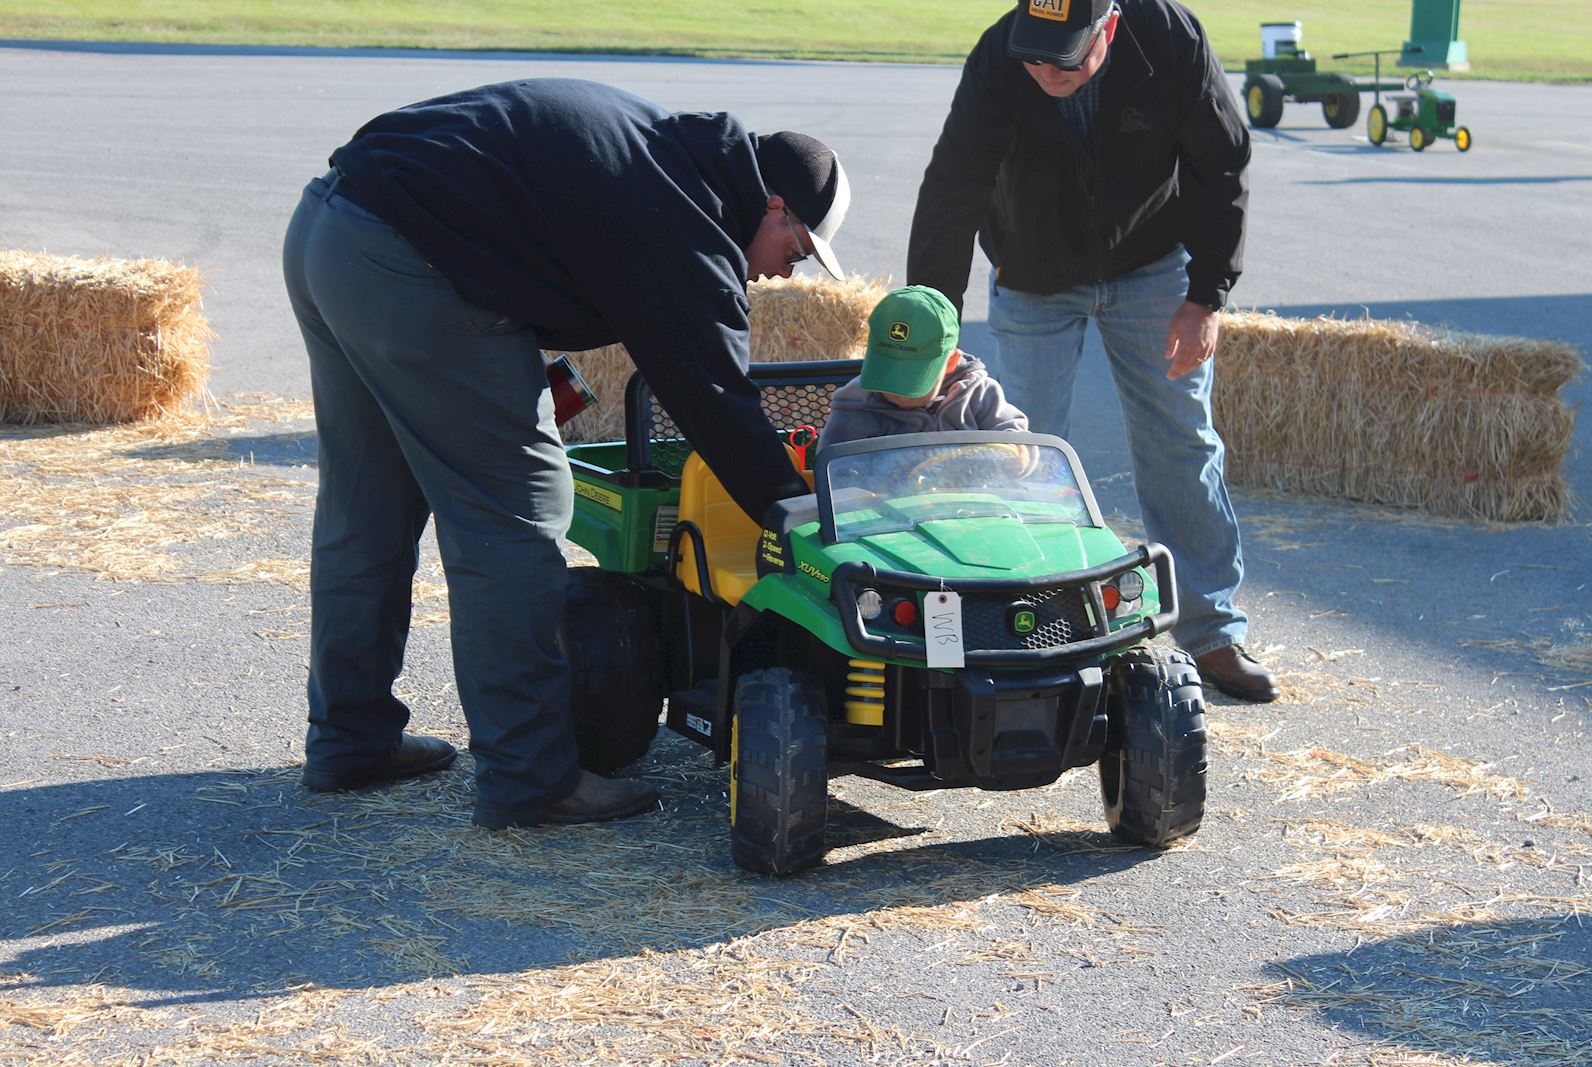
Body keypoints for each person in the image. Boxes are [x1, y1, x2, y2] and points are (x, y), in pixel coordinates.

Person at [281, 77, 851, 827]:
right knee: (517, 514)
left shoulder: (665, 156)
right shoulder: (686, 221)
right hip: (408, 264)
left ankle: (350, 739)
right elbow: (718, 403)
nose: (785, 271)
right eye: (798, 248)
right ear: (772, 204)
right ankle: (530, 775)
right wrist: (799, 514)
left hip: (331, 230)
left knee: (368, 505)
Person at [906, 0, 1279, 702]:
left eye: (1065, 57)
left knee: (1181, 439)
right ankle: (1024, 631)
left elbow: (1220, 162)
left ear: (1107, 29)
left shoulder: (1169, 38)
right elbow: (953, 186)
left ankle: (1213, 632)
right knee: (1021, 451)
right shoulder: (1000, 56)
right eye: (1036, 55)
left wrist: (1206, 296)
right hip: (1034, 271)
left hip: (1150, 263)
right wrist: (936, 329)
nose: (1046, 69)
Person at [819, 284, 1028, 450]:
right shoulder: (858, 406)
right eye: (887, 375)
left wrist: (1017, 452)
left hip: (971, 499)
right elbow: (833, 468)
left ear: (951, 362)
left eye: (912, 381)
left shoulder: (978, 395)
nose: (897, 392)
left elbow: (1013, 433)